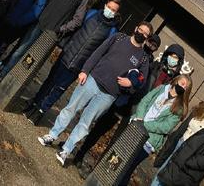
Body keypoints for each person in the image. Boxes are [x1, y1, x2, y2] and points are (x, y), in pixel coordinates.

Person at [38, 22, 152, 167]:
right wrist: (85, 70)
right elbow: (98, 52)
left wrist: (130, 83)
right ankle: (52, 135)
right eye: (140, 30)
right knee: (71, 108)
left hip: (109, 95)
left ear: (147, 38)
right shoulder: (118, 37)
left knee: (85, 123)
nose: (141, 34)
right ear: (136, 28)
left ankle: (66, 150)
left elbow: (141, 81)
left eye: (145, 34)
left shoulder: (143, 59)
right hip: (92, 80)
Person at [73, 31, 164, 174]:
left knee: (104, 133)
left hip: (127, 107)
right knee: (90, 120)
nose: (150, 45)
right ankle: (74, 146)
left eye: (154, 45)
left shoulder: (151, 64)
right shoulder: (133, 48)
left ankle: (89, 161)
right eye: (150, 41)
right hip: (113, 94)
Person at [24, 0, 121, 124]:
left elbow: (101, 52)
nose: (110, 11)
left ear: (116, 13)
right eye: (109, 7)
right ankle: (35, 102)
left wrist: (87, 69)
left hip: (79, 64)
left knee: (59, 88)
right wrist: (65, 46)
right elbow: (76, 29)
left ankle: (41, 110)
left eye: (113, 10)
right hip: (67, 54)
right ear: (105, 5)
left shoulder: (112, 31)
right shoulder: (91, 14)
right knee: (50, 80)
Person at [0, 0, 91, 84]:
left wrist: (61, 28)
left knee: (32, 58)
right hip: (40, 23)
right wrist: (40, 15)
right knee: (21, 48)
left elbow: (78, 20)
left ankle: (13, 80)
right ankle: (3, 72)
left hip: (53, 33)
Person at [115, 74, 193, 186]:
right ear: (176, 80)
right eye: (182, 83)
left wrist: (144, 125)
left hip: (148, 140)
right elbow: (145, 101)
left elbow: (166, 127)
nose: (183, 87)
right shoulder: (161, 88)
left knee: (127, 169)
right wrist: (140, 118)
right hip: (135, 128)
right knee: (117, 159)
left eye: (186, 87)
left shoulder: (179, 108)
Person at [151, 93, 204, 186]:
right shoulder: (199, 111)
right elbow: (180, 130)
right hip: (175, 148)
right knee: (158, 179)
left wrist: (188, 161)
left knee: (167, 182)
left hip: (186, 163)